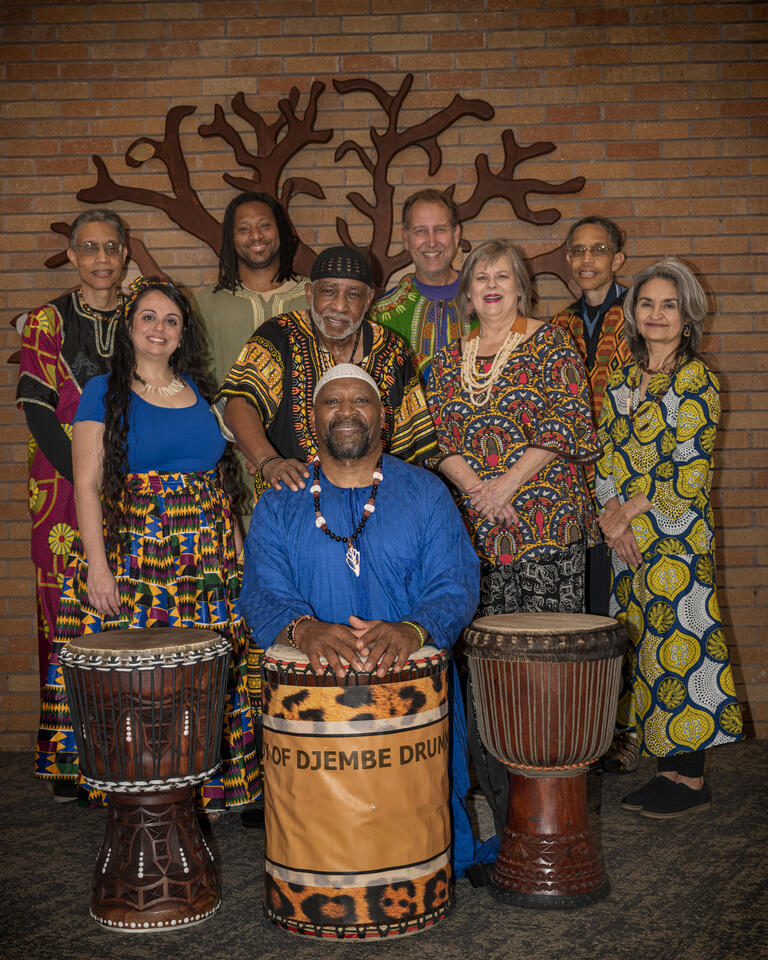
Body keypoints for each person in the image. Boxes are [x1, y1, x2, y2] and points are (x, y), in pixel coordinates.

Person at [239, 363, 495, 875]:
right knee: (327, 829)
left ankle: (438, 859)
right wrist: (304, 629)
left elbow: (455, 581)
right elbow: (261, 590)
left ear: (384, 415)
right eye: (333, 402)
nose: (347, 412)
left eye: (361, 400)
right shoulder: (280, 502)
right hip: (317, 698)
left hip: (408, 688)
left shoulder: (425, 492)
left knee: (425, 805)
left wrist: (413, 629)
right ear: (313, 419)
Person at [34, 278, 260, 816]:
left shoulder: (203, 394)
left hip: (205, 556)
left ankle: (206, 784)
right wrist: (97, 566)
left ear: (183, 334)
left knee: (204, 671)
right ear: (130, 328)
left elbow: (220, 484)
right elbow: (86, 484)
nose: (159, 329)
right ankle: (136, 785)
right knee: (139, 676)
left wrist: (240, 553)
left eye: (171, 321)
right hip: (135, 550)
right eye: (149, 318)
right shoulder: (102, 391)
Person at [426, 239, 600, 841]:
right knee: (486, 671)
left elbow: (569, 421)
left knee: (542, 673)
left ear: (520, 286)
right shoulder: (447, 361)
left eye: (503, 275)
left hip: (545, 530)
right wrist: (479, 490)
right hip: (476, 536)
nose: (491, 284)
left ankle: (550, 805)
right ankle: (499, 804)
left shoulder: (552, 341)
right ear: (467, 291)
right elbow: (436, 434)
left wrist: (507, 484)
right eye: (481, 276)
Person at [595, 258, 743, 819]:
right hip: (629, 541)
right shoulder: (623, 378)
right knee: (648, 650)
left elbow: (689, 468)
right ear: (633, 313)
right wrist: (611, 516)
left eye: (669, 305)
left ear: (688, 316)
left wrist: (628, 515)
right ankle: (666, 769)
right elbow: (606, 457)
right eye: (647, 303)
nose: (656, 314)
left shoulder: (696, 379)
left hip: (676, 537)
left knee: (684, 646)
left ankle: (691, 779)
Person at [16, 210, 128, 746]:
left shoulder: (142, 316)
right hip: (60, 482)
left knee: (126, 597)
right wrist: (88, 477)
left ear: (125, 254)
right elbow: (37, 409)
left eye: (111, 247)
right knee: (63, 607)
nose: (101, 258)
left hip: (132, 470)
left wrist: (118, 478)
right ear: (72, 255)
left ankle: (124, 738)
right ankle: (64, 746)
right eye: (89, 248)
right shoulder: (46, 321)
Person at [215, 243, 438, 501]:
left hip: (374, 506)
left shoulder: (391, 348)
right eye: (329, 292)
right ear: (310, 294)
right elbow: (239, 404)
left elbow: (412, 445)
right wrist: (269, 461)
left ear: (368, 300)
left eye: (353, 295)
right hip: (291, 502)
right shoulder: (279, 334)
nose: (340, 306)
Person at [552, 215, 637, 771]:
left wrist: (621, 502)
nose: (587, 260)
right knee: (584, 608)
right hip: (572, 488)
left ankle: (625, 732)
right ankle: (589, 730)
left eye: (598, 250)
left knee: (622, 610)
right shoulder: (556, 324)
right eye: (578, 251)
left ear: (618, 259)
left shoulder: (640, 315)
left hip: (626, 491)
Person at [192, 192, 310, 529]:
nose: (255, 236)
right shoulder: (206, 304)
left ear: (281, 231)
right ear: (230, 238)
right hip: (231, 462)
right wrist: (240, 442)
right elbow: (198, 382)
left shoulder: (313, 296)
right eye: (244, 229)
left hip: (307, 458)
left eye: (264, 226)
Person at [370, 189, 471, 381]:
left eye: (440, 230)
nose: (431, 242)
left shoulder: (488, 303)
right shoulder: (382, 314)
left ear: (456, 234)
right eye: (420, 231)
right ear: (406, 238)